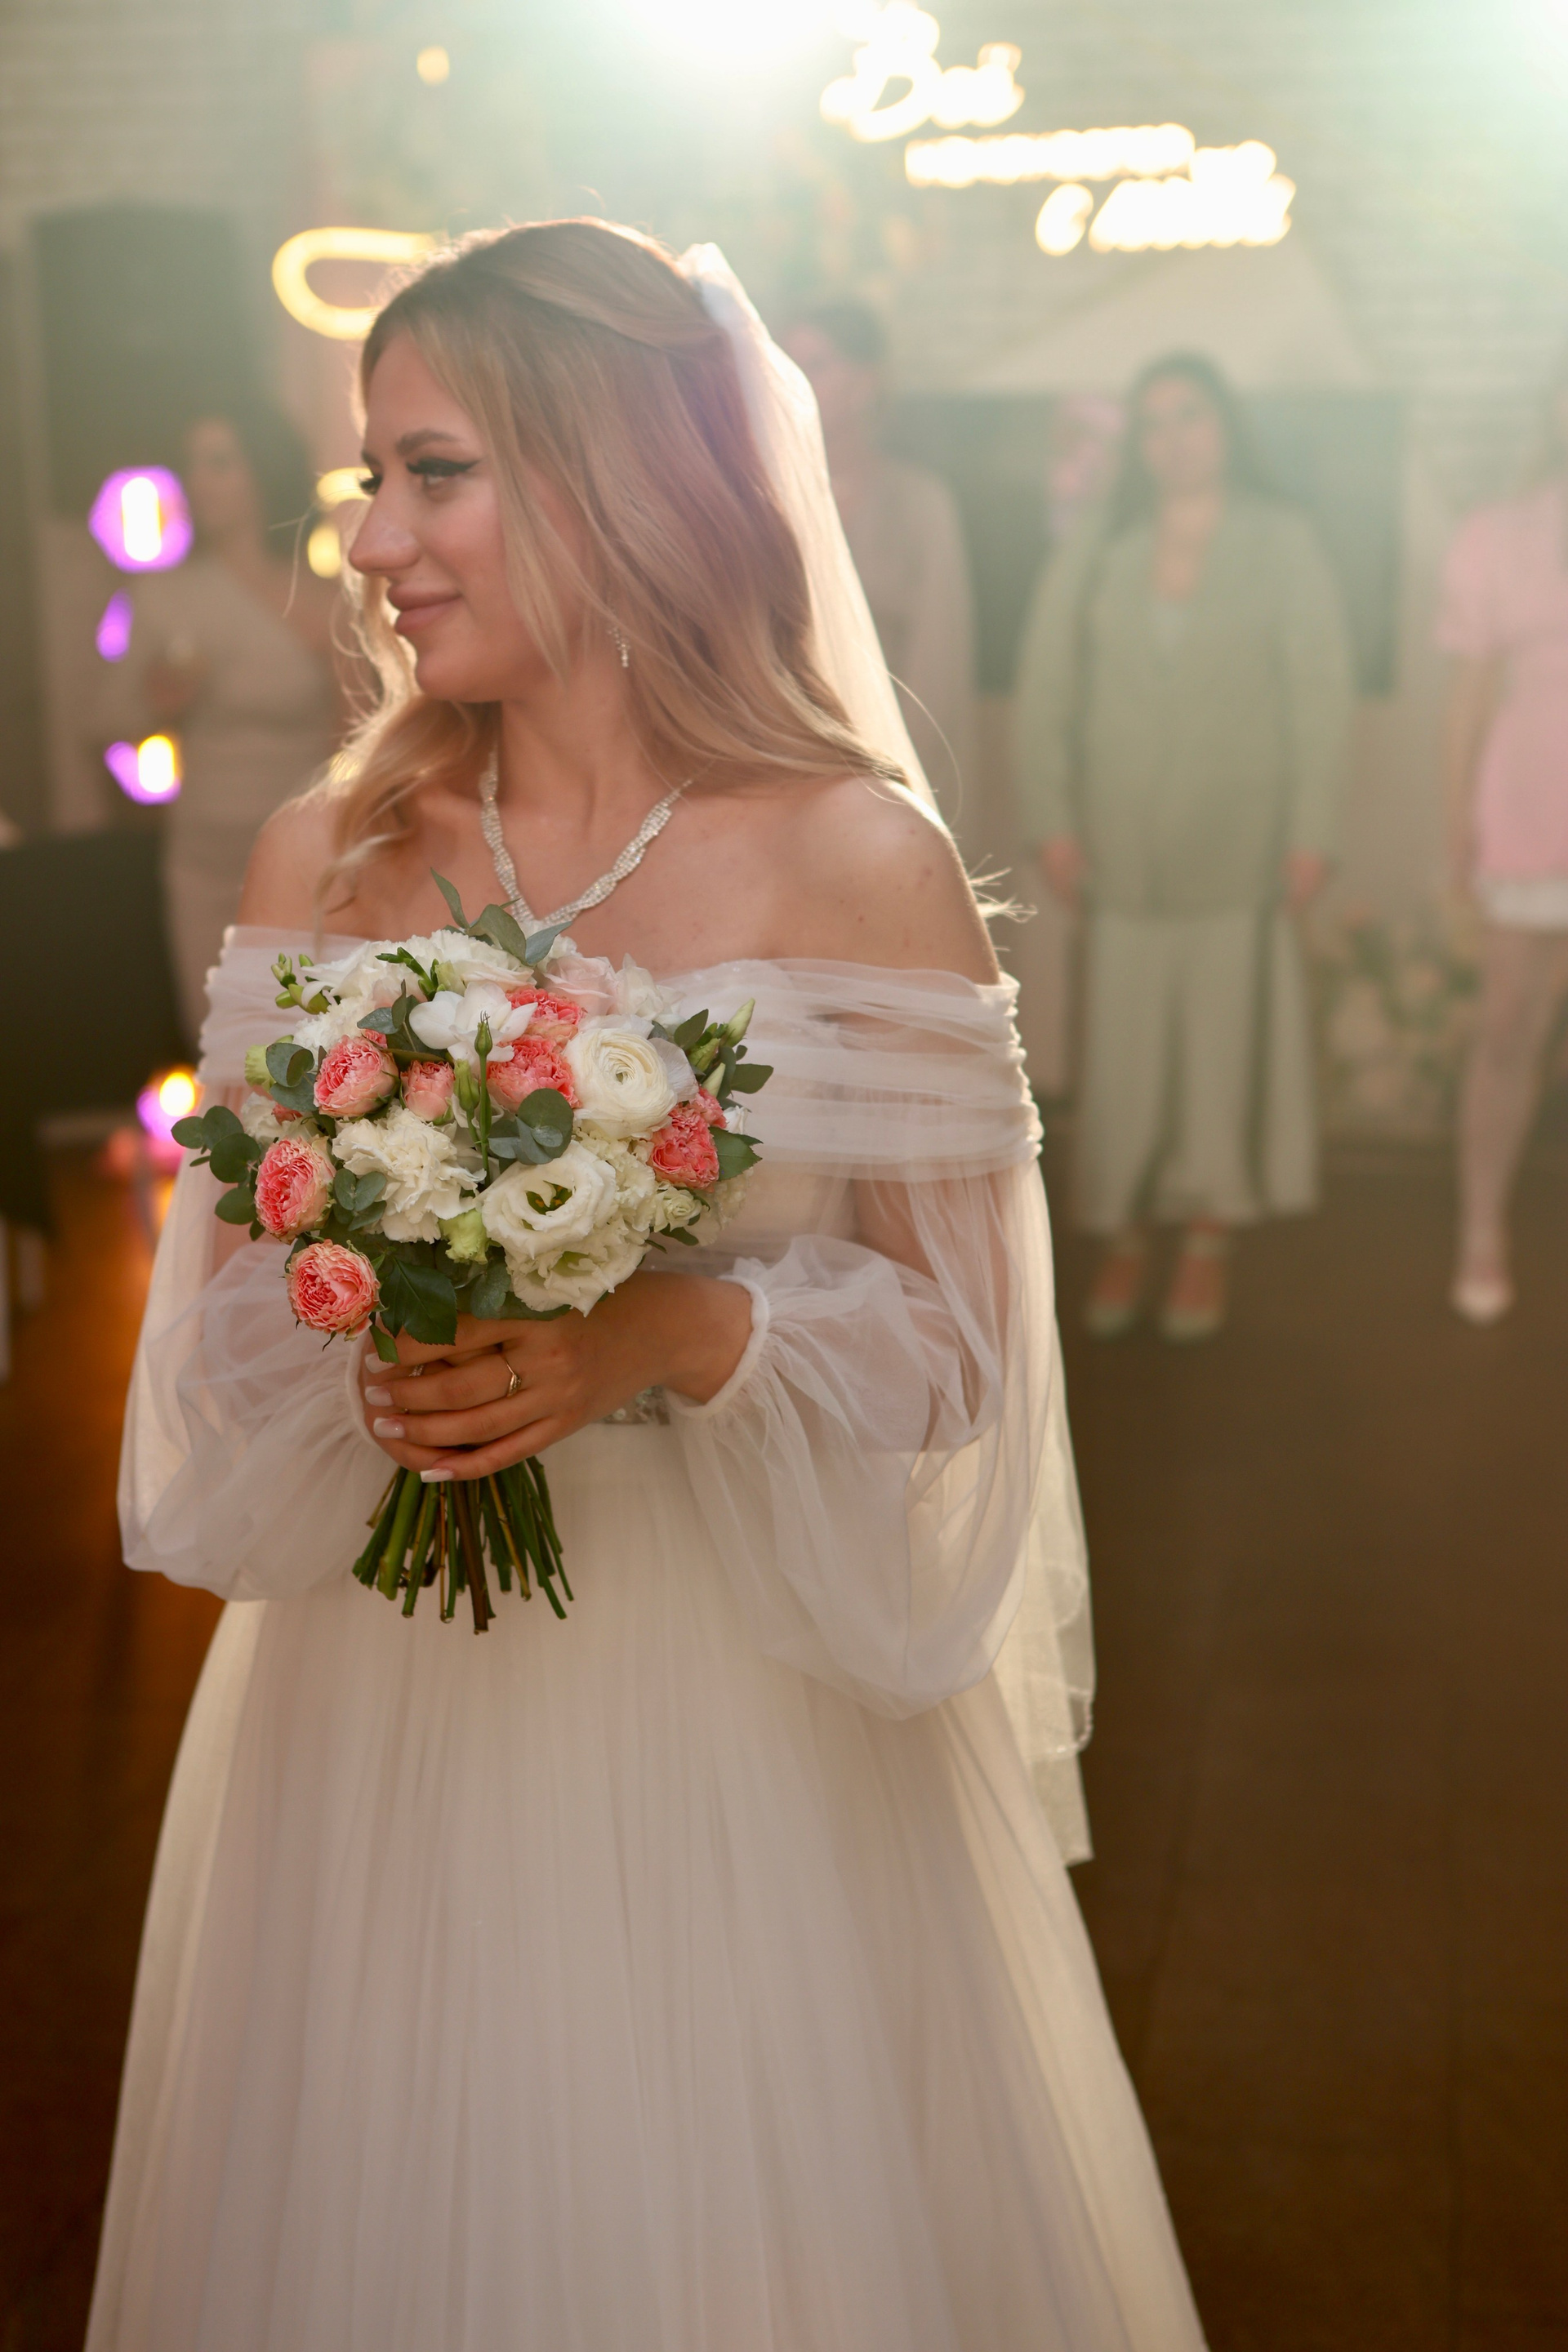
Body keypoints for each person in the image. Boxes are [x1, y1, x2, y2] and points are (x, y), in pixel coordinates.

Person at [91, 223, 1206, 2351]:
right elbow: (224, 1320)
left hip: (735, 1709)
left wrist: (671, 1331)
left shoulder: (852, 860)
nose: (373, 543)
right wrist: (380, 1328)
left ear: (613, 474)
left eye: (434, 473)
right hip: (380, 1702)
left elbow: (966, 1353)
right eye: (370, 479)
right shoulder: (328, 857)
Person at [1015, 353, 1352, 1341]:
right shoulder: (1100, 544)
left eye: (1191, 416)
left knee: (1219, 1054)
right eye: (1154, 422)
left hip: (1239, 848)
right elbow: (1045, 685)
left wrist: (1312, 834)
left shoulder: (1281, 540)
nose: (1175, 439)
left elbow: (1321, 696)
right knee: (1124, 1060)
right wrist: (1053, 820)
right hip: (1119, 851)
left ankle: (1207, 1230)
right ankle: (1125, 1227)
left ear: (1227, 425)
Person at [101, 406, 342, 1040]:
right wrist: (158, 699)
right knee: (226, 1043)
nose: (199, 481)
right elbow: (108, 718)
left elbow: (362, 733)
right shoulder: (163, 596)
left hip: (310, 853)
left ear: (263, 469)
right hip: (205, 858)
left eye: (219, 463)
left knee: (318, 1041)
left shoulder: (328, 597)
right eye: (192, 465)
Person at [1439, 356, 1568, 1323]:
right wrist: (1456, 827)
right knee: (1509, 1027)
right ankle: (1482, 1226)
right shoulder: (1500, 533)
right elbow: (1468, 700)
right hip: (1530, 811)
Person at [781, 300, 978, 830]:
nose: (797, 381)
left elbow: (939, 664)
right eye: (786, 363)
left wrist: (894, 788)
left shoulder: (919, 503)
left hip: (890, 777)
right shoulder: (768, 500)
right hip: (783, 777)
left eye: (817, 365)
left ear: (865, 384)